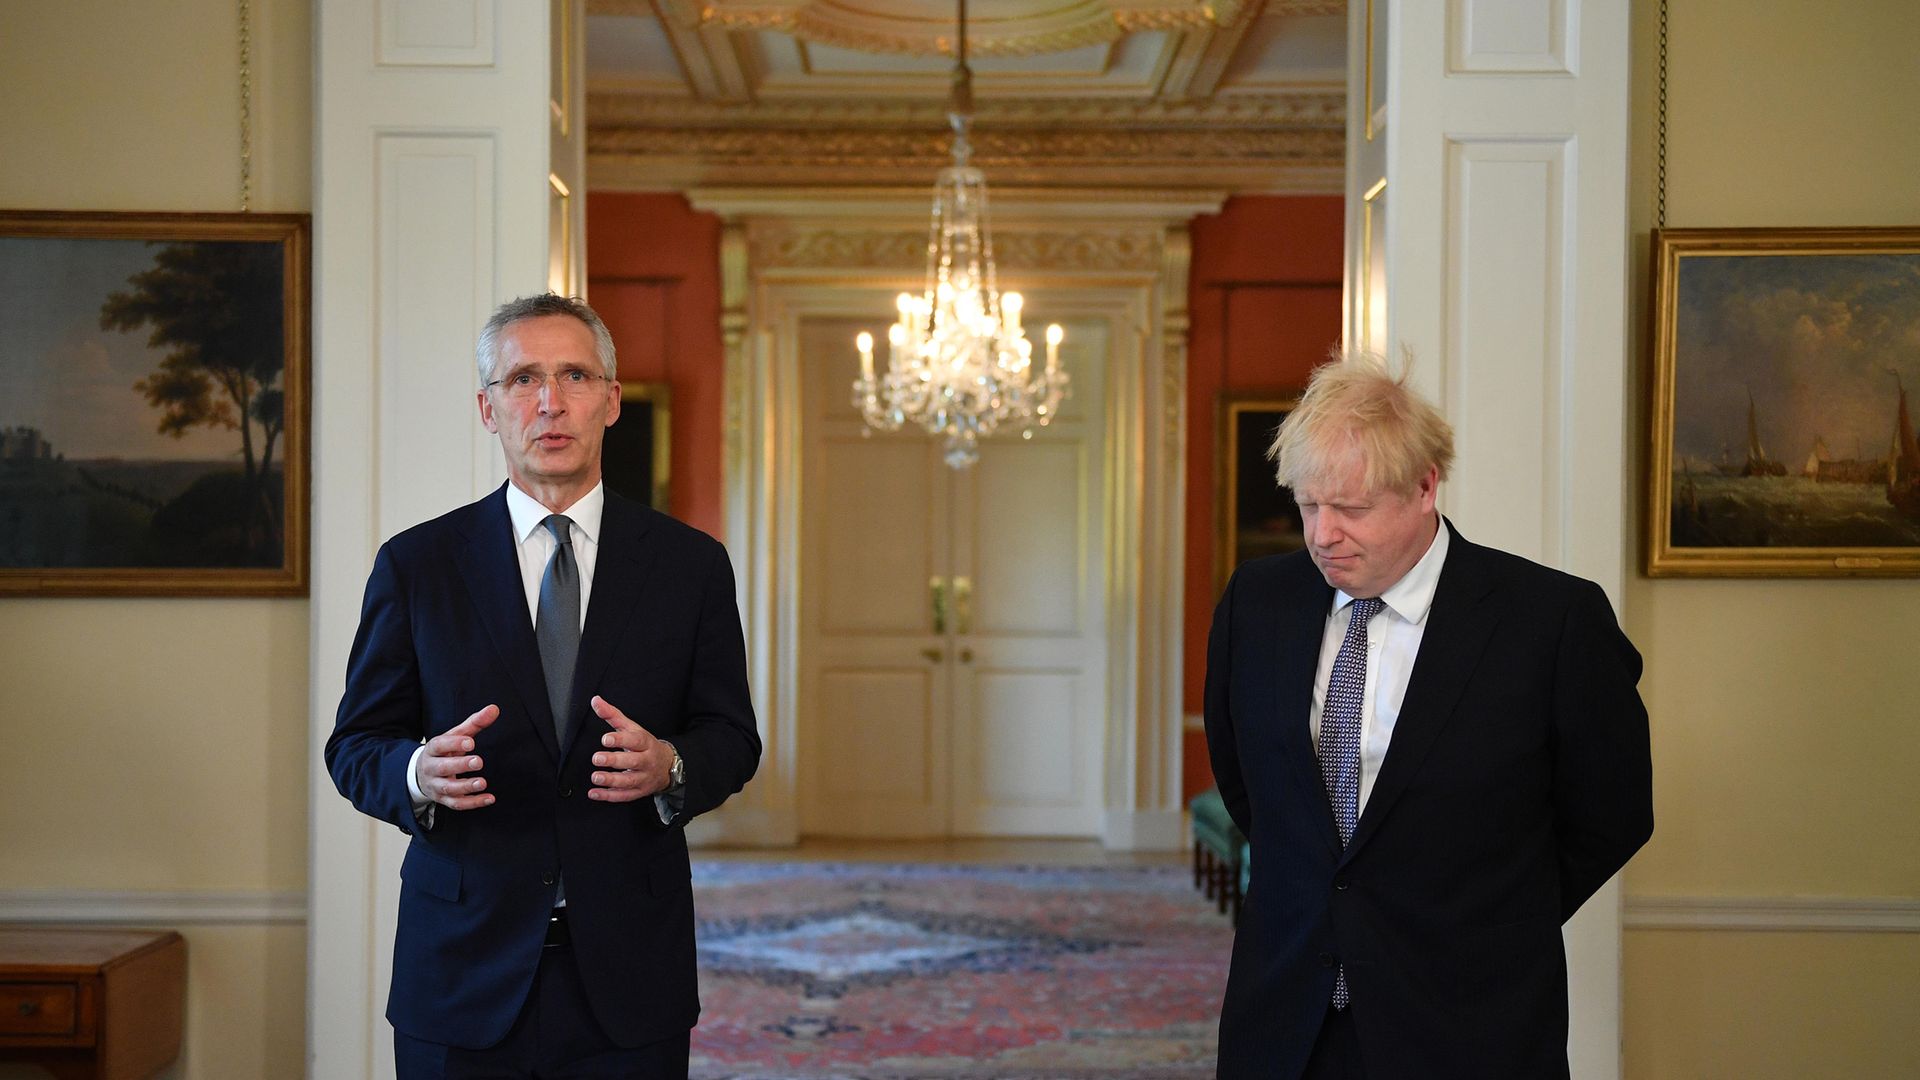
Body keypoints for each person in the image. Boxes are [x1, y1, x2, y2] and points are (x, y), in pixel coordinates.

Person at [327, 294, 761, 1078]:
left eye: (574, 376)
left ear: (611, 400)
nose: (550, 401)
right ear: (488, 409)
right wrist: (417, 772)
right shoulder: (417, 565)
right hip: (461, 973)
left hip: (631, 972)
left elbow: (732, 737)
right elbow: (355, 745)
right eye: (524, 378)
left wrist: (672, 765)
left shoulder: (690, 566)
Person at [1203, 354, 1652, 1079]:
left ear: (1424, 487)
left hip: (1471, 1016)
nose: (1322, 534)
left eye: (1350, 509)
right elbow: (1251, 788)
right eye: (1308, 505)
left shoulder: (1551, 621)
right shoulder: (1258, 604)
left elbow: (1613, 815)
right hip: (1286, 1013)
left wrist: (1484, 917)